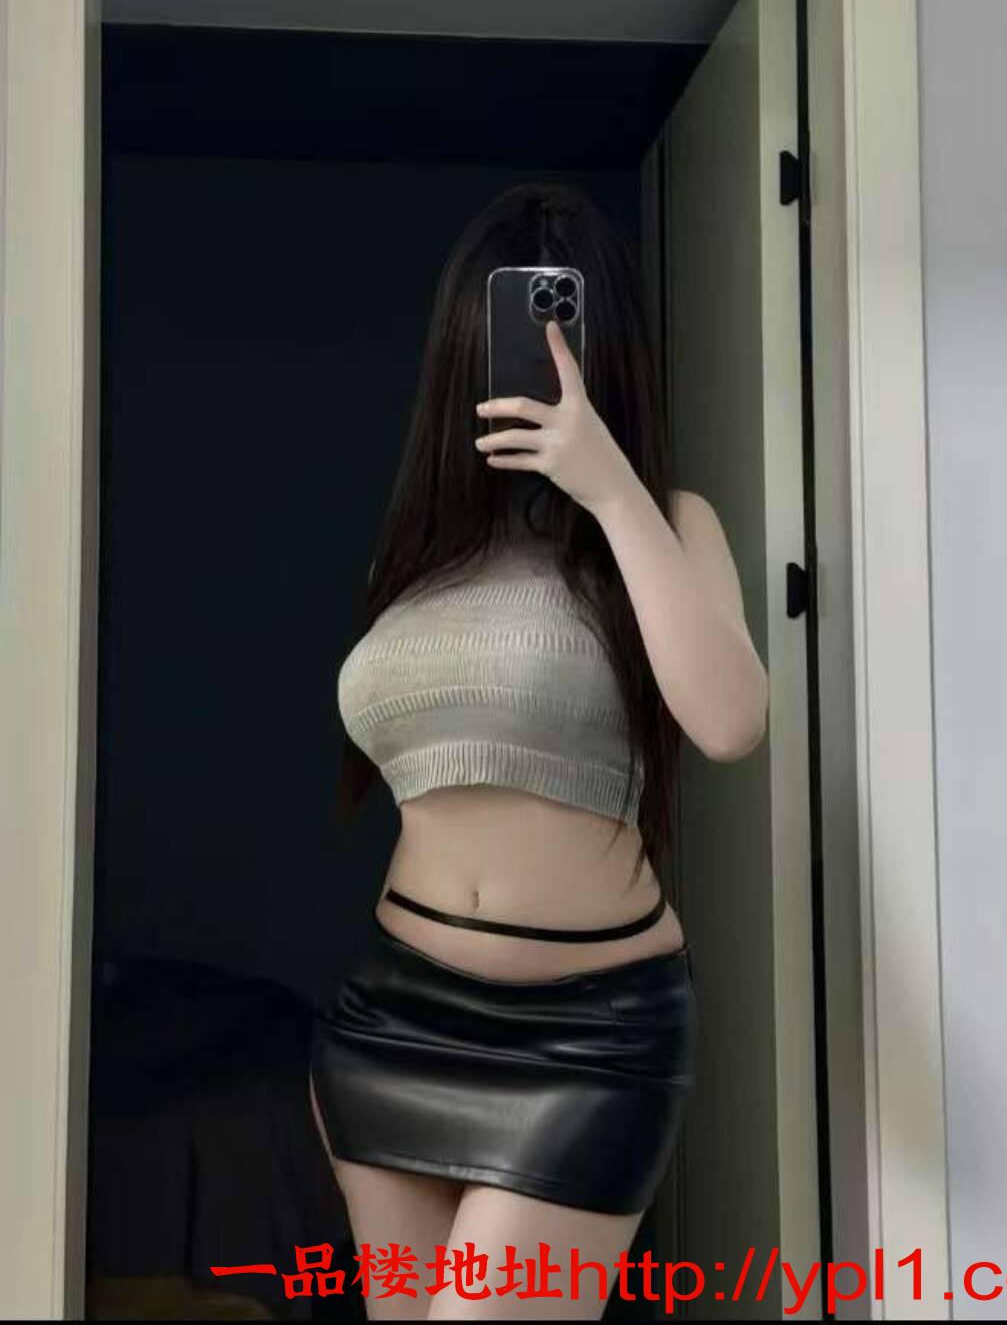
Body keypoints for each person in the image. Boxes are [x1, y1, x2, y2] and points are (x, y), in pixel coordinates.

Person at [308, 181, 769, 1322]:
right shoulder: (415, 554)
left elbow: (730, 722)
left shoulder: (670, 522)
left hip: (588, 1041)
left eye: (565, 325)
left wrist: (608, 485)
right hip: (392, 1019)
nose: (538, 355)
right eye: (509, 327)